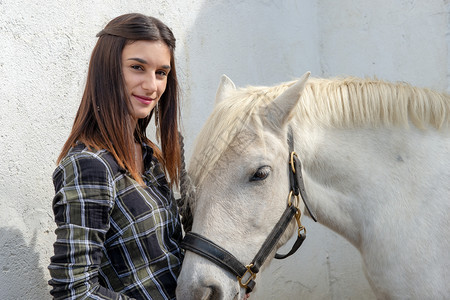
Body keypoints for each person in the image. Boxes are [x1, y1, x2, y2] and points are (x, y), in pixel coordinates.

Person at [48, 13, 183, 299]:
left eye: (161, 73)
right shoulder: (90, 165)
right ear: (107, 70)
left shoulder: (151, 156)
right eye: (137, 67)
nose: (152, 86)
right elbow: (74, 292)